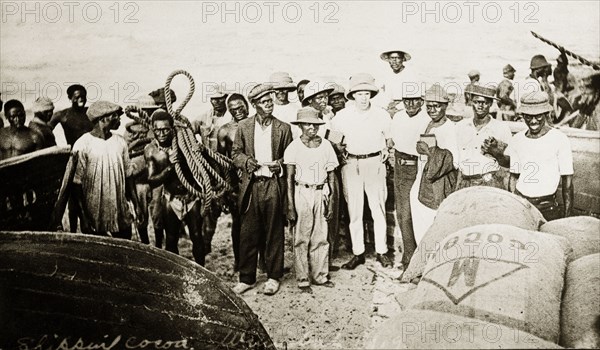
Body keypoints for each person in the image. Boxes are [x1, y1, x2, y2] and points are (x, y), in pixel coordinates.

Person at [231, 83, 293, 295]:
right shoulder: (244, 127)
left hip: (273, 185)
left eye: (270, 101)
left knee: (274, 231)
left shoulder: (283, 128)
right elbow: (235, 154)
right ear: (255, 104)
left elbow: (290, 157)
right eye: (264, 102)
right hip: (252, 186)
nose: (269, 105)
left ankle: (274, 277)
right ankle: (246, 278)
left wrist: (280, 164)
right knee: (248, 233)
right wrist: (248, 162)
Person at [331, 73, 394, 270]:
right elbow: (334, 141)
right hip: (351, 164)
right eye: (359, 94)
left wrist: (386, 150)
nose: (364, 97)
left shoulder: (382, 114)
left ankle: (382, 251)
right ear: (352, 95)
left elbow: (390, 140)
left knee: (378, 210)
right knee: (354, 212)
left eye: (367, 93)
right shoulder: (341, 116)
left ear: (371, 95)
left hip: (374, 162)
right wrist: (340, 155)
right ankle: (358, 253)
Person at [488, 92, 574, 220]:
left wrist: (567, 217)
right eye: (528, 116)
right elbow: (514, 177)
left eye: (538, 116)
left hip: (547, 207)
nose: (533, 121)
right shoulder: (517, 139)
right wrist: (514, 205)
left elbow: (567, 183)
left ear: (546, 114)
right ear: (522, 115)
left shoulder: (559, 139)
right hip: (522, 205)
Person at [285, 107, 338, 292]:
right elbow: (289, 178)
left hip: (320, 192)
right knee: (301, 237)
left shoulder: (326, 146)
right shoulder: (293, 147)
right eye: (307, 124)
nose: (311, 128)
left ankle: (320, 276)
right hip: (302, 191)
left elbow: (331, 174)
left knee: (321, 236)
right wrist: (291, 205)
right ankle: (302, 278)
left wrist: (331, 200)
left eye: (314, 124)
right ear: (300, 126)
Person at [71, 101, 142, 239]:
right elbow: (76, 184)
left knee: (123, 249)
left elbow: (128, 176)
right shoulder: (82, 144)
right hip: (94, 213)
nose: (119, 119)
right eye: (114, 116)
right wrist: (84, 217)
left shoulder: (120, 141)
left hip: (119, 211)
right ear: (101, 119)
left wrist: (136, 204)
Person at [144, 109, 205, 265]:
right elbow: (152, 180)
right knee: (171, 238)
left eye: (166, 129)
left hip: (192, 196)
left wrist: (200, 151)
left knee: (197, 236)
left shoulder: (184, 142)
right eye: (158, 130)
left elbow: (200, 166)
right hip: (170, 199)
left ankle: (201, 271)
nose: (162, 133)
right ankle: (174, 271)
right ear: (153, 129)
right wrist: (171, 166)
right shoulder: (151, 150)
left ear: (172, 128)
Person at [410, 84, 458, 245]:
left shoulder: (451, 129)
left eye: (436, 106)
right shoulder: (428, 124)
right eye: (429, 106)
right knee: (420, 225)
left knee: (433, 226)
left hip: (437, 186)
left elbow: (453, 160)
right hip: (421, 179)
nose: (432, 110)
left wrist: (430, 151)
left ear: (445, 106)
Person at [389, 87, 429, 268]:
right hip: (398, 166)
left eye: (415, 100)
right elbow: (392, 141)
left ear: (421, 101)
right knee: (401, 213)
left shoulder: (427, 119)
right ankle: (409, 257)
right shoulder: (398, 117)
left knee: (410, 214)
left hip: (416, 167)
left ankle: (412, 261)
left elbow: (428, 150)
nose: (411, 104)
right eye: (407, 100)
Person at [49, 84, 92, 233]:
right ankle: (73, 231)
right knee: (73, 199)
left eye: (83, 96)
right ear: (70, 98)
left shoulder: (91, 113)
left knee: (88, 196)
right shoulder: (63, 115)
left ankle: (89, 229)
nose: (81, 100)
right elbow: (44, 130)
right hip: (74, 158)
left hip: (91, 158)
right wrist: (57, 150)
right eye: (77, 97)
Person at [216, 93, 250, 271]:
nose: (238, 112)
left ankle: (261, 260)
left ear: (247, 105)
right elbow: (221, 162)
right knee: (238, 223)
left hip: (256, 180)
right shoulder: (225, 130)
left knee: (259, 222)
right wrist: (227, 189)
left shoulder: (256, 125)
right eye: (233, 109)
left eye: (241, 107)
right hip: (236, 184)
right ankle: (239, 260)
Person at [455, 85, 511, 190]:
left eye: (484, 103)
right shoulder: (460, 127)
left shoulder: (501, 128)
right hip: (464, 183)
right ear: (471, 102)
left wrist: (496, 153)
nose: (480, 106)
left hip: (489, 182)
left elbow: (509, 162)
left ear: (490, 104)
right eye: (476, 102)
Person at [124, 94, 160, 245]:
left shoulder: (158, 127)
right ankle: (145, 244)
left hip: (157, 179)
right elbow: (126, 153)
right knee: (141, 217)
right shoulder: (130, 130)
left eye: (150, 110)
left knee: (159, 216)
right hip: (140, 180)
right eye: (145, 110)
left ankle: (159, 245)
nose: (147, 113)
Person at [379, 49, 419, 116]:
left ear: (403, 59)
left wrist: (396, 107)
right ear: (388, 60)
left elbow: (414, 101)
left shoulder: (411, 75)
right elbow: (386, 96)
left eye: (398, 58)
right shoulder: (388, 76)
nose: (394, 61)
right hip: (390, 109)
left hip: (406, 110)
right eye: (392, 58)